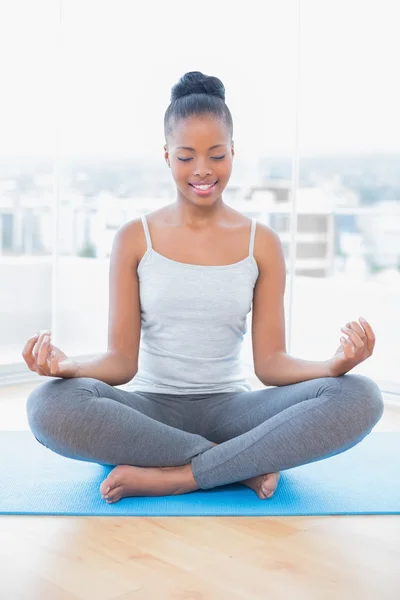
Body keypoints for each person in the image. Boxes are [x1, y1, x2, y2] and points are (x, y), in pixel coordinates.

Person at [24, 71, 384, 505]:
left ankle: (182, 475)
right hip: (150, 414)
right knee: (47, 405)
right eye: (185, 157)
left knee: (360, 396)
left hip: (235, 412)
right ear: (166, 156)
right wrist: (70, 367)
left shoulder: (262, 243)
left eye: (216, 155)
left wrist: (334, 365)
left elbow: (270, 364)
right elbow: (121, 363)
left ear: (233, 151)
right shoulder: (135, 239)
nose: (202, 171)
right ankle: (235, 466)